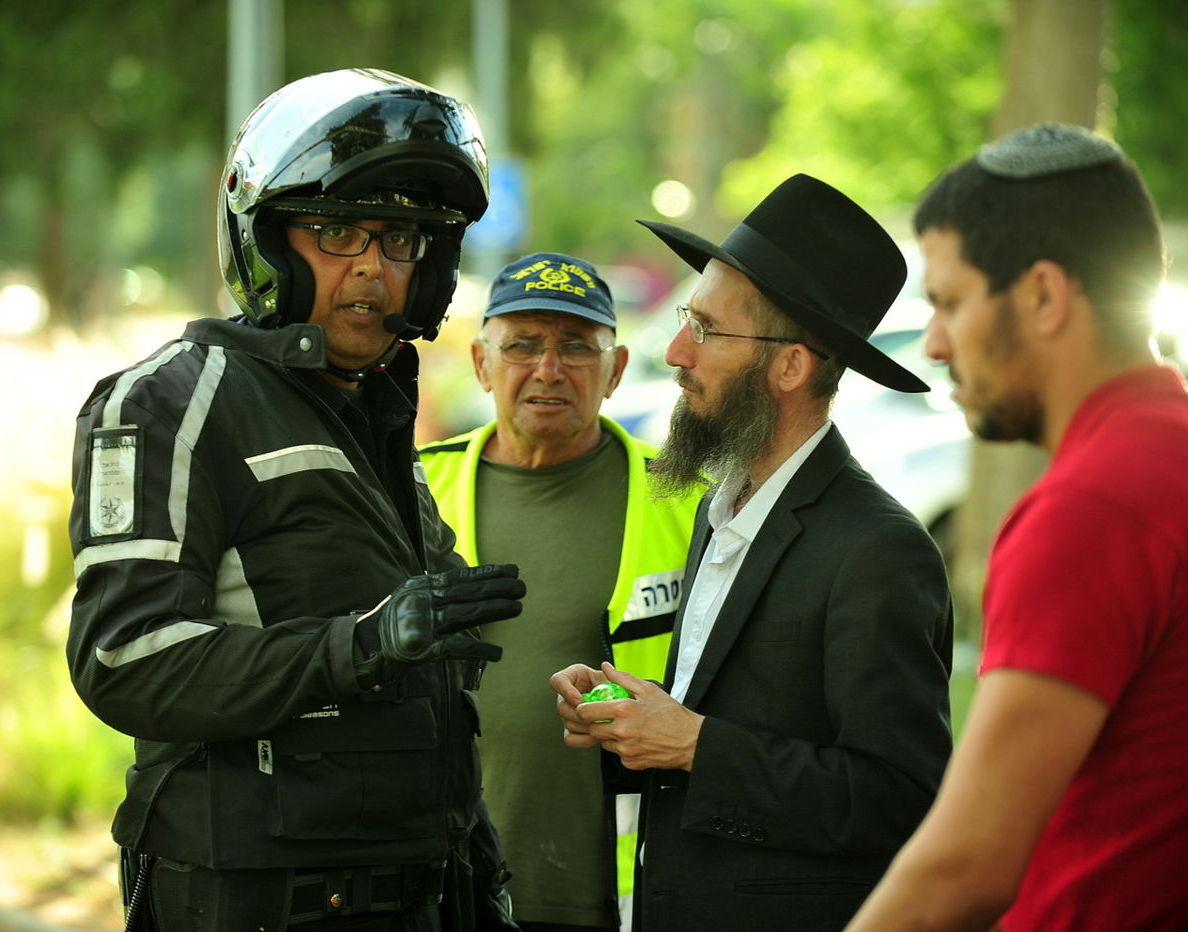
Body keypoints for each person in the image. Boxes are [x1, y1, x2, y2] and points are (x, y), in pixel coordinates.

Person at [66, 68, 529, 932]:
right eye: (337, 231)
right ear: (267, 239)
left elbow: (426, 700)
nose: (372, 269)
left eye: (399, 240)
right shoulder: (173, 401)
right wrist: (357, 645)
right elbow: (123, 658)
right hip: (261, 900)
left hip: (418, 888)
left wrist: (478, 866)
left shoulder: (375, 408)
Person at [550, 174, 955, 932]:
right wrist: (634, 725)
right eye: (685, 321)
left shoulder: (879, 551)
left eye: (705, 329)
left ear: (792, 366)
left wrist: (696, 744)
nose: (674, 352)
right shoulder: (717, 505)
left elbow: (901, 799)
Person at [846, 124, 1188, 932]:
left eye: (951, 302)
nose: (933, 343)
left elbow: (965, 866)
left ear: (1043, 294)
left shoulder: (1092, 507)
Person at [418, 253, 703, 932]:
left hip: (619, 896)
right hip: (437, 886)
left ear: (617, 368)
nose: (549, 369)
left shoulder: (690, 506)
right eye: (523, 345)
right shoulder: (413, 493)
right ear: (483, 364)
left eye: (577, 346)